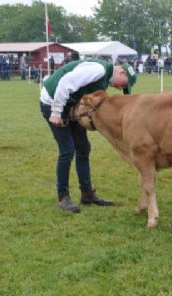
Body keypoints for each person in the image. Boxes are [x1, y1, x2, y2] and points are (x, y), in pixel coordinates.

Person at [39, 58, 137, 213]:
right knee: (67, 150)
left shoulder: (105, 79)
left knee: (83, 148)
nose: (120, 88)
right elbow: (65, 83)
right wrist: (56, 112)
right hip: (52, 102)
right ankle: (62, 197)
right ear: (120, 72)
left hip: (70, 105)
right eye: (123, 84)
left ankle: (87, 194)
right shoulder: (98, 70)